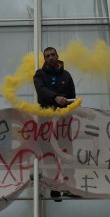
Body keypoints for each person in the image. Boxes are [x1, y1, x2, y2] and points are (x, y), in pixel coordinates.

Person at [33, 47, 77, 201]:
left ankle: (69, 185)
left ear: (58, 56)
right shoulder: (39, 74)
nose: (50, 57)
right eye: (47, 56)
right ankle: (54, 186)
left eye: (53, 55)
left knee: (66, 150)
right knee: (48, 152)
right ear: (44, 59)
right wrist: (55, 98)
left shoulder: (66, 75)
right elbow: (41, 90)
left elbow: (72, 96)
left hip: (63, 120)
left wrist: (68, 103)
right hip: (46, 119)